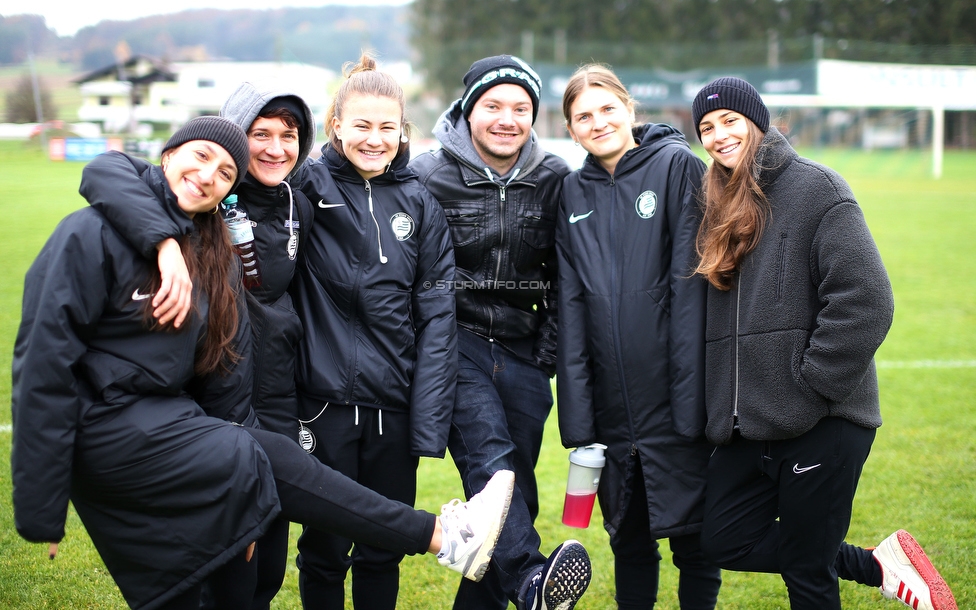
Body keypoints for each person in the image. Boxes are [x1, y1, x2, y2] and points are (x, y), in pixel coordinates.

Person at [12, 116, 515, 610]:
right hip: (107, 426)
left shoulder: (211, 252)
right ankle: (443, 536)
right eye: (201, 156)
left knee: (213, 570)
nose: (209, 175)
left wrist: (240, 504)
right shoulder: (89, 234)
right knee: (260, 456)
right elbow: (42, 366)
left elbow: (223, 377)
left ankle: (446, 537)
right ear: (168, 156)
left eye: (227, 172)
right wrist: (42, 506)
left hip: (170, 428)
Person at [690, 76, 958, 610]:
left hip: (822, 418)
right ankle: (879, 566)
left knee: (808, 575)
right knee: (722, 538)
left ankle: (863, 566)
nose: (718, 135)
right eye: (705, 127)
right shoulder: (718, 206)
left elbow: (868, 299)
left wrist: (812, 385)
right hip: (750, 425)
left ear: (757, 122)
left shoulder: (817, 188)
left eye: (729, 121)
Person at [78, 82, 319, 609]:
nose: (276, 148)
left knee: (267, 573)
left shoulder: (300, 201)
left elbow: (371, 162)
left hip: (277, 406)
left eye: (289, 135)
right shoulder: (193, 205)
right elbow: (105, 169)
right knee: (219, 572)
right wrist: (164, 242)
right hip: (209, 413)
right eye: (259, 134)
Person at [411, 54, 592, 610]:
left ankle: (514, 591)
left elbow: (568, 274)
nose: (507, 118)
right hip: (453, 340)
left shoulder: (556, 177)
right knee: (492, 464)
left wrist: (546, 354)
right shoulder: (425, 174)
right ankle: (532, 580)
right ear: (469, 111)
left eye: (521, 108)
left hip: (522, 348)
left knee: (517, 495)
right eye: (493, 105)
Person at [288, 54, 458, 610]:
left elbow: (437, 317)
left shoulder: (420, 203)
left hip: (393, 407)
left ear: (403, 130)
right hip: (322, 406)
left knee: (384, 547)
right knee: (325, 547)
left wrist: (426, 421)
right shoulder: (304, 186)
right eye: (361, 124)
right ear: (335, 124)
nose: (374, 138)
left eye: (387, 127)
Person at [556, 64, 722, 610]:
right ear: (571, 129)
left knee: (694, 544)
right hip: (611, 410)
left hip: (676, 402)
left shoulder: (675, 167)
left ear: (629, 109)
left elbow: (689, 288)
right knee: (628, 541)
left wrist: (689, 403)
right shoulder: (572, 190)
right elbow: (572, 306)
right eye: (584, 116)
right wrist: (579, 421)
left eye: (607, 109)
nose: (598, 122)